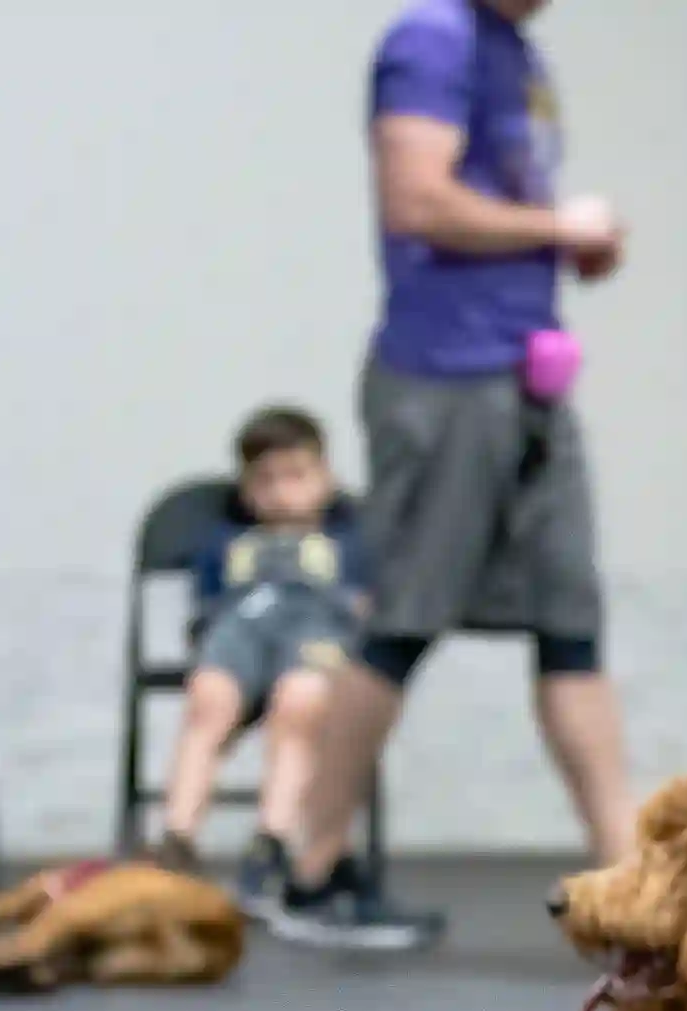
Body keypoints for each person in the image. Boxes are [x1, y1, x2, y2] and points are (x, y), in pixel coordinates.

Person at [272, 0, 635, 950]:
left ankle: (634, 890)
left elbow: (488, 206)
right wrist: (558, 223)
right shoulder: (431, 37)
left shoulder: (518, 52)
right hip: (443, 381)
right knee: (399, 621)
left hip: (528, 379)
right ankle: (309, 869)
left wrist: (565, 244)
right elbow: (417, 200)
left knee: (571, 622)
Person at [152, 407, 372, 917]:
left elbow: (366, 604)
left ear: (327, 478)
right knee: (208, 700)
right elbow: (207, 605)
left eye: (296, 476)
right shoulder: (227, 542)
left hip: (316, 634)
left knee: (299, 704)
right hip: (242, 630)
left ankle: (270, 841)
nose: (281, 491)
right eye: (265, 480)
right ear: (246, 489)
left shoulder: (349, 541)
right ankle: (177, 840)